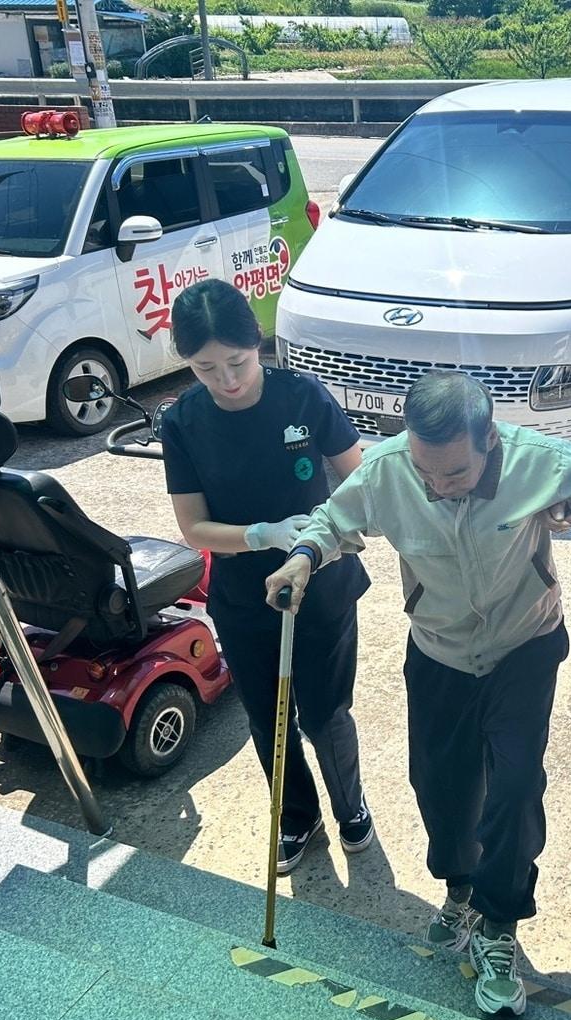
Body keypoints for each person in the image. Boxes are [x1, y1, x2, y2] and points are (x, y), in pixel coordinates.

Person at [264, 371, 571, 1019]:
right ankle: (461, 888)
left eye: (456, 473)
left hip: (523, 645)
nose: (439, 486)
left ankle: (500, 923)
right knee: (438, 784)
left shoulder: (543, 464)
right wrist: (305, 554)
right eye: (427, 471)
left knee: (516, 783)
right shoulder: (391, 470)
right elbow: (335, 518)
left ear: (490, 440)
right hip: (439, 649)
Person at [160, 278, 374, 875]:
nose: (227, 380)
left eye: (238, 361)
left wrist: (320, 534)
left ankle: (350, 806)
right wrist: (263, 534)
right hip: (243, 593)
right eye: (206, 368)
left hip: (324, 581)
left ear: (258, 342)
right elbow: (195, 527)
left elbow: (357, 483)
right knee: (266, 713)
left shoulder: (304, 397)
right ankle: (296, 814)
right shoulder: (182, 422)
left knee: (327, 711)